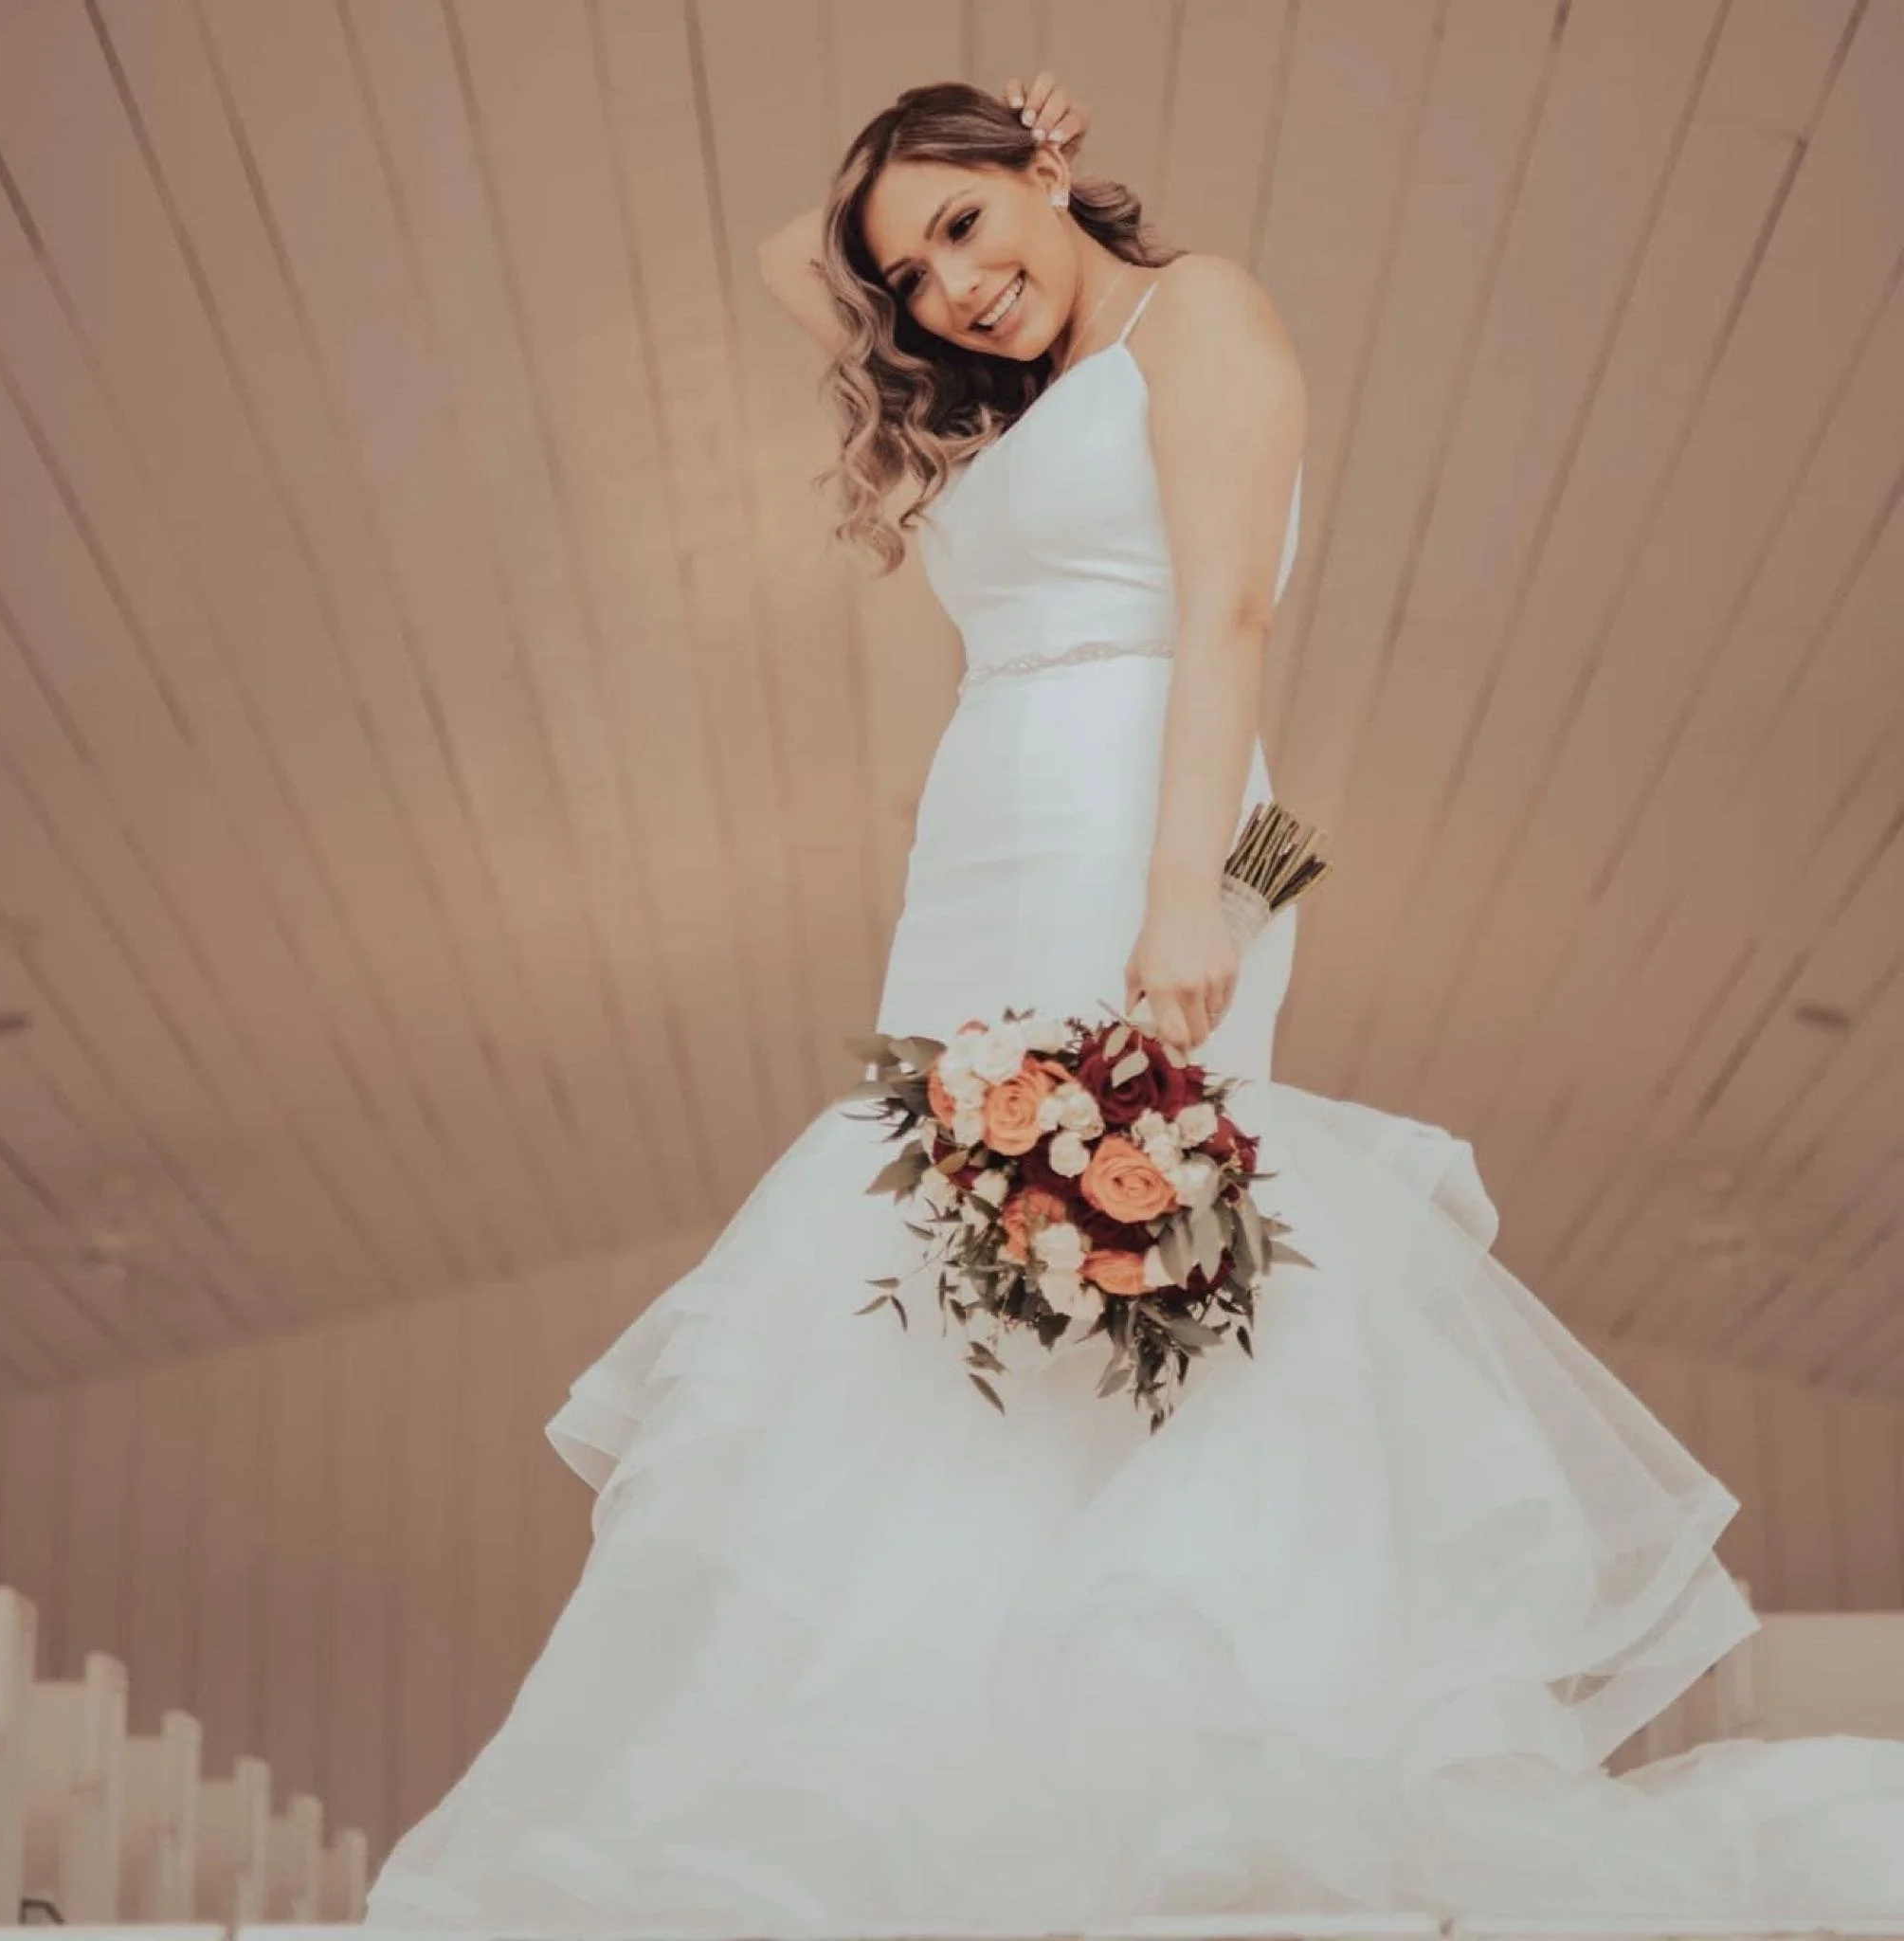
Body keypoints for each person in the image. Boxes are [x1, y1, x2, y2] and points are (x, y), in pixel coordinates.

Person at [361, 76, 1904, 1932]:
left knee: (1132, 1242)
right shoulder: (1000, 394)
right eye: (910, 270)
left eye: (966, 226)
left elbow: (1229, 621)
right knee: (963, 1275)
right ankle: (988, 1770)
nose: (943, 289)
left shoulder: (1207, 312)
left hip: (1146, 804)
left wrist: (1193, 897)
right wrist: (938, 197)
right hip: (989, 837)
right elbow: (800, 257)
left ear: (1049, 170)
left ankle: (1164, 1755)